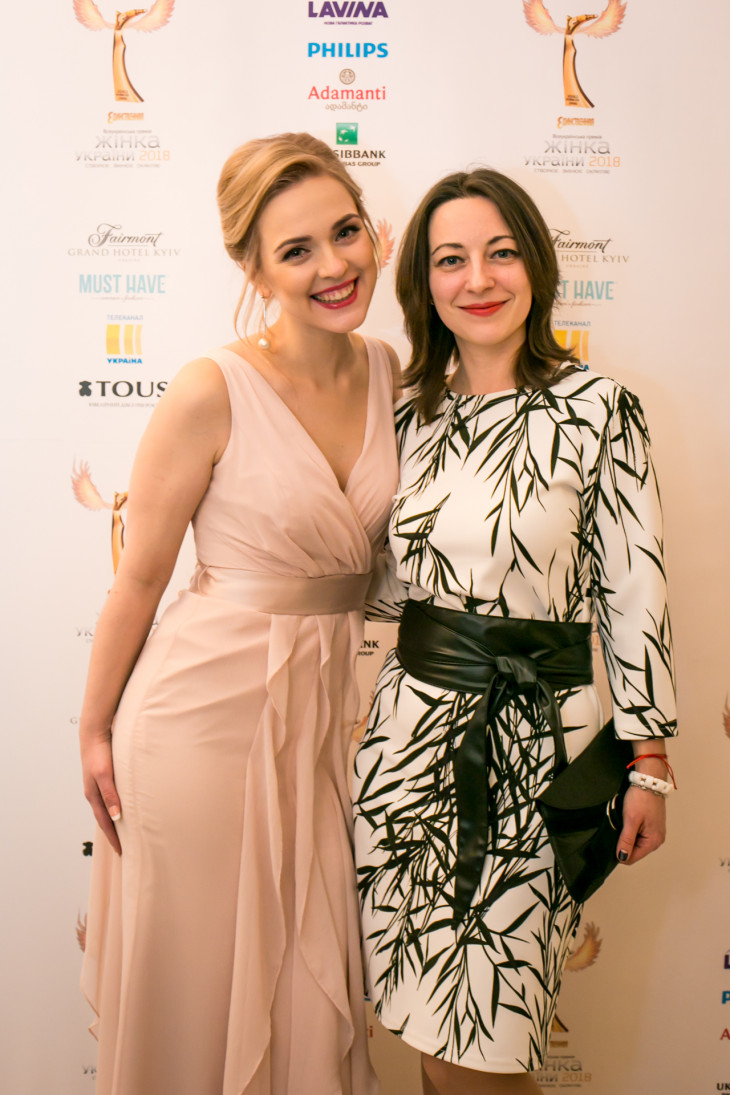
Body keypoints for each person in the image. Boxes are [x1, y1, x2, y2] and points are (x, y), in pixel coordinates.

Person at [79, 131, 399, 1095]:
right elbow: (141, 578)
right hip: (201, 726)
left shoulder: (390, 371)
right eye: (296, 250)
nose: (334, 264)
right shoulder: (208, 388)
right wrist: (93, 729)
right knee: (195, 992)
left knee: (306, 986)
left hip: (325, 727)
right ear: (254, 270)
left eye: (345, 231)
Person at [353, 168, 676, 1095]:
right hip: (405, 749)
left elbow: (634, 590)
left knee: (482, 1041)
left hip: (535, 751)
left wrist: (650, 759)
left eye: (500, 252)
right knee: (428, 1034)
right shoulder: (405, 412)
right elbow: (379, 584)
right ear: (424, 283)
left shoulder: (598, 407)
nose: (479, 278)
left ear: (535, 264)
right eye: (451, 259)